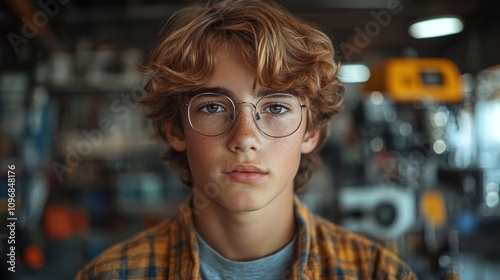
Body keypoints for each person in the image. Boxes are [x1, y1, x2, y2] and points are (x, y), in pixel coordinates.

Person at [75, 0, 416, 279]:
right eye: (212, 106)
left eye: (277, 107)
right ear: (175, 130)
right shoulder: (110, 275)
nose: (245, 138)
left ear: (311, 132)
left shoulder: (380, 273)